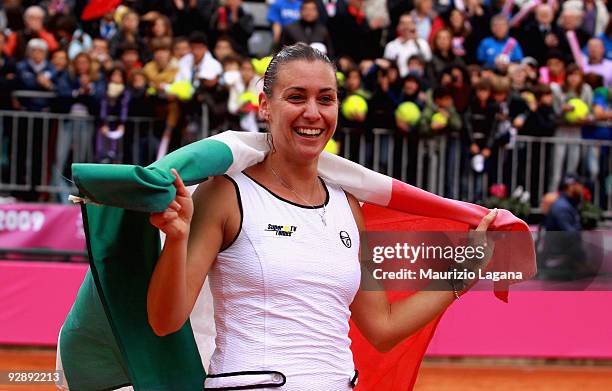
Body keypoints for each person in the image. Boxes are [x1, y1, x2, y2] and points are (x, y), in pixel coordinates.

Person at [147, 43, 497, 390]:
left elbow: (382, 327)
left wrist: (459, 276)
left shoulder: (348, 207)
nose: (312, 113)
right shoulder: (225, 194)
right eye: (296, 97)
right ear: (265, 106)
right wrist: (177, 239)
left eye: (326, 99)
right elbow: (165, 321)